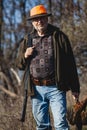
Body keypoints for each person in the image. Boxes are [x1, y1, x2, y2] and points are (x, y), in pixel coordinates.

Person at [16, 4, 80, 130]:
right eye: (36, 19)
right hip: (36, 89)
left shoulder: (59, 37)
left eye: (42, 18)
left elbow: (70, 64)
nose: (39, 21)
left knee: (61, 124)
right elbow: (19, 64)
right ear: (32, 22)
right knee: (41, 125)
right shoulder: (27, 39)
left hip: (56, 87)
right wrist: (25, 54)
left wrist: (75, 88)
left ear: (47, 18)